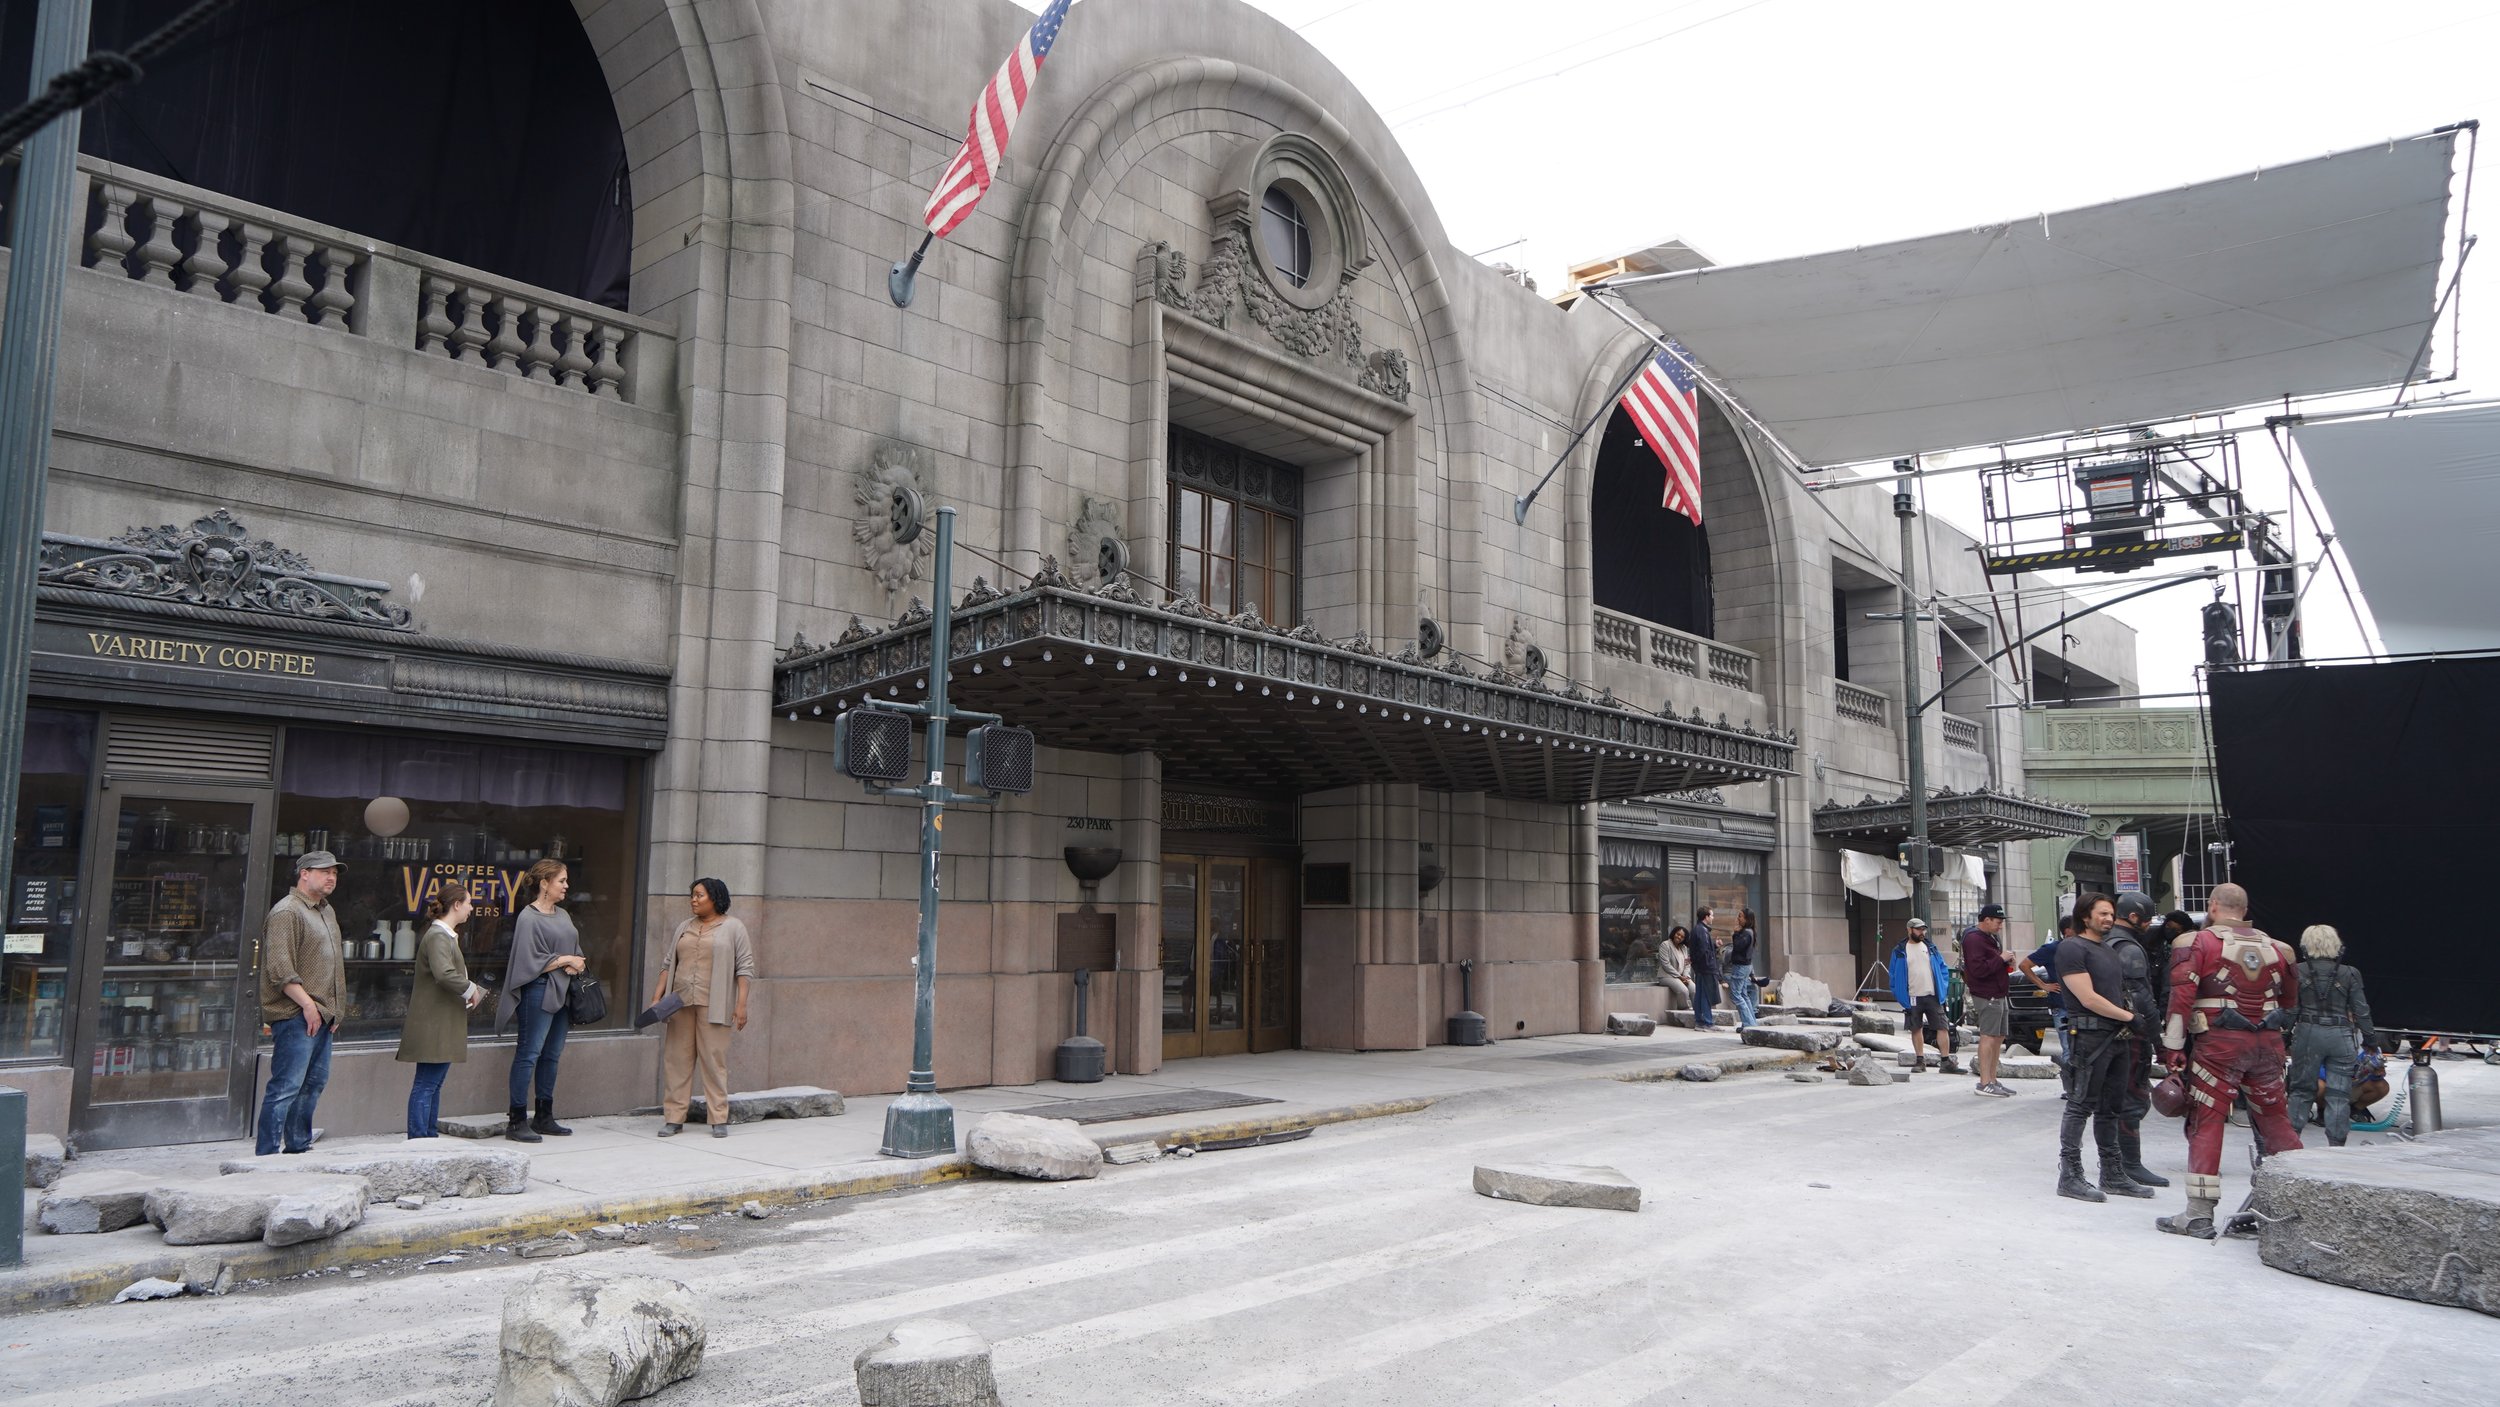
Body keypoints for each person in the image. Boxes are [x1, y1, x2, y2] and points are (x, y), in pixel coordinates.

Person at [2157, 882, 2303, 1238]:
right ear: (2245, 908)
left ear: (2212, 906)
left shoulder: (2195, 943)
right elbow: (2289, 1001)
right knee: (2276, 1120)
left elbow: (2181, 998)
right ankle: (2305, 1199)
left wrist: (2173, 1047)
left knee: (2206, 1120)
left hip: (2218, 1045)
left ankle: (2198, 1214)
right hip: (2267, 1043)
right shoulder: (2280, 949)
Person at [2054, 894, 2150, 1202]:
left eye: (2111, 914)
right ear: (2086, 916)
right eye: (2103, 913)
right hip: (2090, 1037)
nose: (2109, 918)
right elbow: (2088, 998)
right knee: (2080, 1105)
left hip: (2116, 1037)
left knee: (2111, 1108)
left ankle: (2112, 1173)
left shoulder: (2106, 949)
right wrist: (2129, 1017)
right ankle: (2069, 1175)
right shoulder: (2072, 948)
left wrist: (2130, 1019)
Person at [255, 850, 346, 1156]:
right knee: (286, 1087)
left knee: (313, 1084)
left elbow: (331, 965)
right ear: (304, 873)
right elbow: (280, 970)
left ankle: (298, 1147)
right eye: (324, 871)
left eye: (334, 872)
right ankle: (266, 1155)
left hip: (322, 1014)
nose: (331, 877)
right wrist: (308, 1006)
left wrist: (334, 1011)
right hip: (296, 1014)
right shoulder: (287, 912)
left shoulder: (326, 911)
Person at [654, 878, 758, 1138]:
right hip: (680, 1003)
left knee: (714, 1062)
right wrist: (657, 999)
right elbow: (668, 964)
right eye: (692, 895)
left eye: (699, 895)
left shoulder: (734, 927)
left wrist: (741, 1005)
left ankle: (718, 1117)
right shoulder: (684, 927)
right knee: (676, 1061)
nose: (693, 900)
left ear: (714, 897)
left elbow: (744, 968)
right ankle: (674, 1118)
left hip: (715, 1004)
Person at [496, 858, 587, 1144]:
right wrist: (564, 960)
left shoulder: (563, 915)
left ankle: (544, 1116)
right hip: (538, 989)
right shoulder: (528, 917)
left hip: (563, 989)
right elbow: (527, 960)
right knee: (529, 1053)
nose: (566, 886)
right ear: (544, 884)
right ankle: (517, 1120)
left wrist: (577, 963)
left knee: (552, 1054)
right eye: (561, 881)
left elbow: (575, 949)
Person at [397, 886, 484, 1138]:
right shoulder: (438, 935)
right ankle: (419, 1138)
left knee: (432, 1084)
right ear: (456, 904)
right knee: (427, 1084)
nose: (471, 908)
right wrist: (470, 989)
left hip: (439, 1022)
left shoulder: (444, 935)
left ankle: (428, 1136)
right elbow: (444, 973)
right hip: (433, 1024)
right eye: (468, 903)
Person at [2283, 924, 2377, 1148]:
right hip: (2341, 1035)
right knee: (2339, 1094)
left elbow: (2292, 1010)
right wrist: (2371, 1041)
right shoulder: (2350, 973)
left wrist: (2284, 1035)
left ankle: (2290, 1145)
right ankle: (2336, 1148)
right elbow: (2361, 1010)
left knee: (2301, 1091)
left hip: (2307, 1034)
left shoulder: (2299, 971)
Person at [2104, 893, 2170, 1190]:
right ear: (2133, 917)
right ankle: (2128, 1165)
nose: (2148, 924)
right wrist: (2159, 1042)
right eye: (2146, 918)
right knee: (2132, 1099)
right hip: (2129, 1034)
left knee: (2112, 1100)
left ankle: (2117, 1165)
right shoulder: (2128, 948)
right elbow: (2141, 1000)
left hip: (2107, 1034)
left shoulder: (2103, 942)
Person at [1889, 918, 1961, 1074]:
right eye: (1918, 929)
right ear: (1909, 930)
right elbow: (1893, 976)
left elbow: (1942, 968)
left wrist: (1942, 987)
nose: (1922, 932)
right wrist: (1901, 996)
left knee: (1942, 1027)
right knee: (1916, 1028)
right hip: (1912, 996)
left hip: (1932, 995)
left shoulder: (1931, 948)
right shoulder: (1900, 950)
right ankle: (1920, 1060)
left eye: (1924, 929)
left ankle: (1945, 1061)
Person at [1960, 903, 2016, 1097]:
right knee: (1988, 1035)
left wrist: (2005, 961)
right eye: (1998, 922)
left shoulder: (1991, 937)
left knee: (1999, 1036)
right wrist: (2000, 959)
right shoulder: (1974, 939)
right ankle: (1984, 1082)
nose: (2000, 925)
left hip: (1999, 991)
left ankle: (1992, 1079)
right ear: (1986, 920)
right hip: (1987, 993)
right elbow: (1977, 970)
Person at [1687, 912, 1722, 1030]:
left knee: (1700, 994)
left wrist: (1714, 945)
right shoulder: (1702, 930)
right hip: (1706, 968)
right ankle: (1707, 1022)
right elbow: (1702, 950)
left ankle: (1700, 1021)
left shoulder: (1699, 929)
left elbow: (1703, 948)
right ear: (1706, 917)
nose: (1713, 917)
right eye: (1711, 915)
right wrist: (1706, 962)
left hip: (1702, 967)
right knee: (1706, 994)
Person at [1726, 909, 1761, 1029]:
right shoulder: (1748, 932)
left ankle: (1749, 1024)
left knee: (1736, 995)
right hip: (1744, 967)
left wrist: (1735, 934)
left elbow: (1738, 947)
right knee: (1743, 994)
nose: (1738, 918)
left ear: (1747, 919)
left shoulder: (1746, 933)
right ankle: (1750, 1022)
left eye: (1740, 916)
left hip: (1741, 967)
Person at [1657, 924, 1696, 1014]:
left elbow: (1687, 964)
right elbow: (1665, 964)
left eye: (1682, 936)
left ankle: (1697, 1011)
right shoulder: (1665, 945)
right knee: (1684, 991)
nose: (1679, 937)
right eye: (1678, 934)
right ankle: (1684, 1011)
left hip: (1682, 976)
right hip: (1667, 976)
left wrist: (1685, 976)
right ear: (1674, 933)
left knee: (1694, 988)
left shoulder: (1684, 948)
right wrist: (1679, 977)